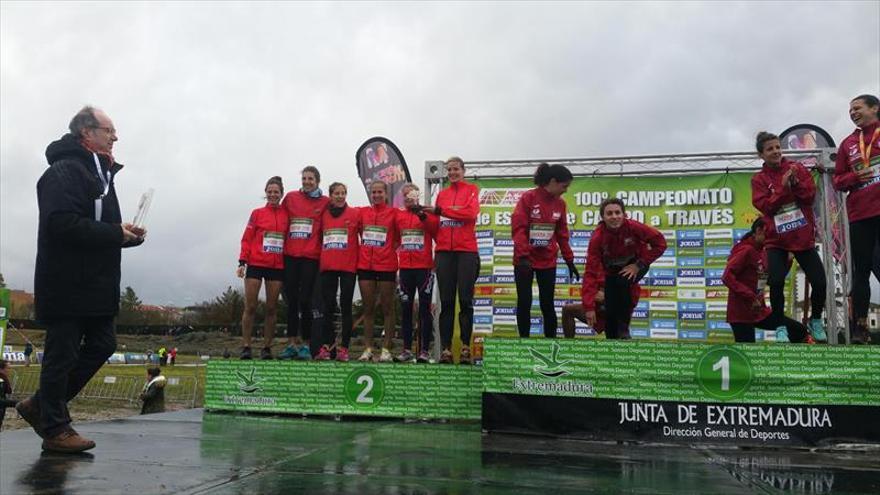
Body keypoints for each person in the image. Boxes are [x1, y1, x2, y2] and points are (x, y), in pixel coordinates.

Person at [16, 106, 146, 453]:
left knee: (103, 344)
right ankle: (55, 427)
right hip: (66, 283)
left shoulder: (102, 176)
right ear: (86, 133)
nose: (115, 137)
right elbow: (61, 224)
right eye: (109, 130)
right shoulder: (63, 171)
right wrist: (113, 233)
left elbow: (100, 230)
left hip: (97, 285)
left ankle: (40, 405)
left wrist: (126, 235)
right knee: (61, 354)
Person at [751, 131, 827, 342]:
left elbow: (809, 197)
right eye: (770, 149)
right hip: (777, 239)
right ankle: (780, 325)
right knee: (775, 282)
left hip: (801, 237)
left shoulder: (797, 168)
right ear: (761, 155)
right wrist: (783, 189)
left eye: (777, 147)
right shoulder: (758, 179)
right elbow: (766, 207)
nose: (775, 152)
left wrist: (796, 183)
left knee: (820, 282)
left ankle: (816, 319)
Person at [581, 198, 666, 339]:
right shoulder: (597, 238)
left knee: (623, 280)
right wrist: (588, 306)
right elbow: (590, 272)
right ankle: (613, 338)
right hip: (612, 273)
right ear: (603, 217)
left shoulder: (634, 227)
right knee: (610, 312)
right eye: (609, 213)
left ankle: (624, 328)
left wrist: (639, 264)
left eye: (617, 212)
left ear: (624, 214)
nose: (614, 217)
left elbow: (660, 243)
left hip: (637, 265)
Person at [423, 157, 480, 364]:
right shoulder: (442, 195)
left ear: (463, 170)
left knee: (465, 300)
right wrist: (423, 216)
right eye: (449, 170)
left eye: (456, 169)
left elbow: (470, 213)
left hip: (466, 251)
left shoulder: (472, 189)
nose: (453, 173)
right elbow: (437, 227)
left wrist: (441, 211)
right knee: (446, 302)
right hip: (445, 252)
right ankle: (446, 349)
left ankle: (465, 347)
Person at [512, 163, 579, 338]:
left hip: (547, 260)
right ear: (553, 182)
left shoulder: (560, 204)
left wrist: (569, 259)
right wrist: (523, 255)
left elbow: (562, 234)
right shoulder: (528, 198)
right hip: (524, 260)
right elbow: (518, 229)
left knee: (547, 303)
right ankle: (524, 343)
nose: (565, 190)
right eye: (564, 186)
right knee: (525, 302)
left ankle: (551, 343)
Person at [834, 94, 880, 344]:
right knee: (860, 272)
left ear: (875, 108)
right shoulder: (848, 143)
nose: (852, 112)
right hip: (860, 213)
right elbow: (838, 180)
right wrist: (855, 177)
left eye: (857, 108)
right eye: (850, 109)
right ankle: (860, 328)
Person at [723, 219, 809, 343]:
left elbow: (772, 280)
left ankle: (791, 360)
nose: (772, 238)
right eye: (769, 234)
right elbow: (727, 277)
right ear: (758, 231)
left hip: (759, 312)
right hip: (740, 314)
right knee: (748, 356)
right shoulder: (745, 250)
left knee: (798, 330)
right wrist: (751, 297)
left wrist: (788, 261)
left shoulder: (763, 252)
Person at [279, 166, 330, 360]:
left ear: (317, 180)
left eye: (311, 179)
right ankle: (292, 343)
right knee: (292, 301)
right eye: (304, 178)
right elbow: (281, 220)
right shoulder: (291, 198)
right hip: (290, 256)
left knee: (306, 301)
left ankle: (307, 345)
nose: (307, 181)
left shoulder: (325, 201)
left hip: (311, 257)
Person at [237, 176, 287, 360]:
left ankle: (267, 347)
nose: (273, 195)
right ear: (265, 193)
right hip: (256, 264)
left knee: (272, 308)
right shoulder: (257, 213)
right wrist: (242, 261)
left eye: (276, 192)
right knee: (250, 306)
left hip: (277, 266)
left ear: (281, 194)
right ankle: (246, 346)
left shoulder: (286, 214)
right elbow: (247, 238)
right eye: (270, 192)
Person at [315, 183, 362, 362]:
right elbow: (320, 238)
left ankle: (344, 349)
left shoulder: (355, 214)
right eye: (337, 193)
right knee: (328, 308)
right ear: (331, 195)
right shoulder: (324, 215)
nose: (340, 196)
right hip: (328, 267)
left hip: (349, 267)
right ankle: (326, 347)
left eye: (343, 193)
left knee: (346, 307)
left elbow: (364, 236)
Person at [395, 183, 439, 362]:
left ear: (417, 196)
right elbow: (395, 239)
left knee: (425, 309)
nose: (408, 198)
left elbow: (436, 232)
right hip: (405, 268)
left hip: (424, 269)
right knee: (405, 309)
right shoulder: (398, 215)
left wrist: (422, 215)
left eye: (411, 195)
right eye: (405, 195)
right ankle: (406, 350)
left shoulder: (427, 213)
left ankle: (424, 351)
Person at [356, 181, 400, 362]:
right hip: (365, 265)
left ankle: (386, 349)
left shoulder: (394, 213)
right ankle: (367, 349)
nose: (376, 195)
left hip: (386, 266)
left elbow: (398, 238)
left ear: (386, 194)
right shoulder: (363, 213)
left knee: (387, 308)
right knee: (368, 309)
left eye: (379, 192)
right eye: (373, 192)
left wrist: (386, 250)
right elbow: (357, 231)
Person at [1, 359, 16, 430]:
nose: (9, 370)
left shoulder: (4, 379)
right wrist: (17, 403)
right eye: (8, 368)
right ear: (1, 369)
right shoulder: (1, 381)